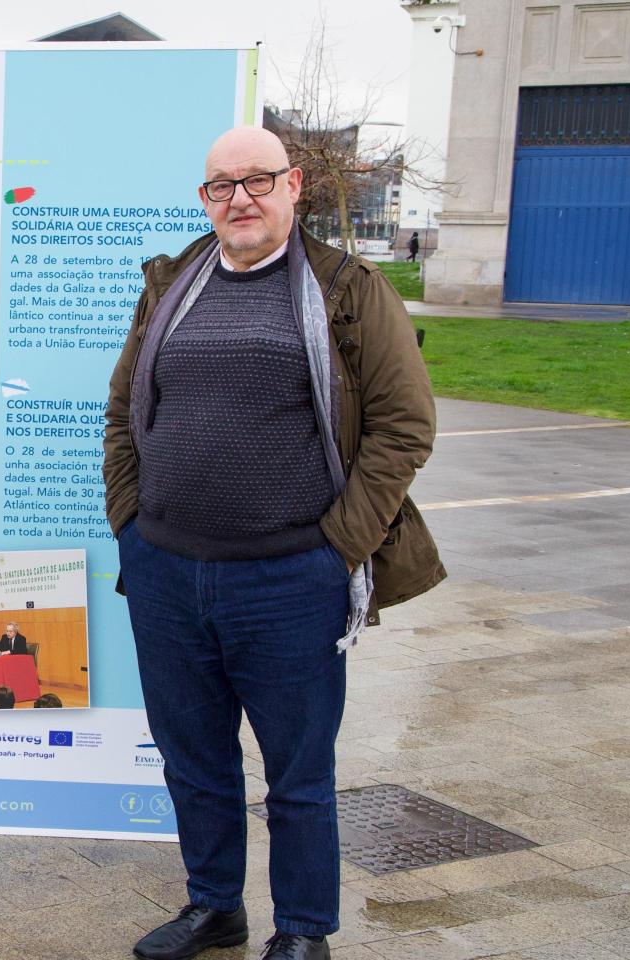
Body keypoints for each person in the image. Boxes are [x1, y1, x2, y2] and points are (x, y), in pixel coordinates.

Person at [103, 127, 441, 960]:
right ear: (204, 200)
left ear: (293, 186)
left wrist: (336, 548)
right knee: (194, 759)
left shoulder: (347, 290)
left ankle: (302, 931)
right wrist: (132, 528)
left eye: (257, 181)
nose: (240, 199)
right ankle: (215, 905)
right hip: (168, 573)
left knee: (298, 773)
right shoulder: (171, 286)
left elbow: (404, 426)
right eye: (222, 186)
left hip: (291, 579)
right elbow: (122, 413)